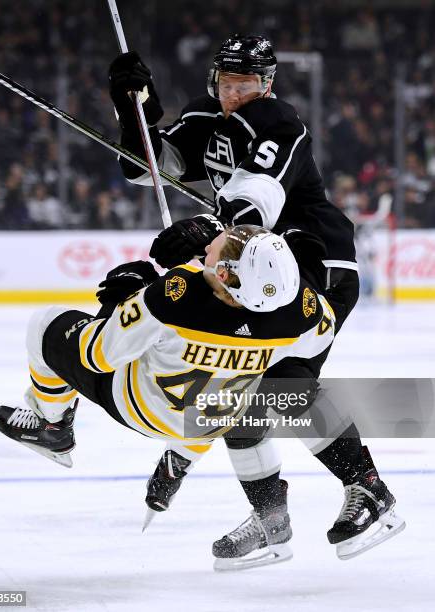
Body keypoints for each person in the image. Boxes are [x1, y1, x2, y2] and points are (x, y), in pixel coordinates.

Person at [107, 34, 404, 568]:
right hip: (258, 275)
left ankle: (369, 492)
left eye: (247, 83)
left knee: (282, 386)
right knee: (237, 387)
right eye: (228, 82)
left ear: (266, 84)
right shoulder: (206, 117)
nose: (236, 92)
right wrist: (135, 109)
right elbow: (147, 165)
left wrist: (205, 232)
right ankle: (271, 521)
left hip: (316, 268)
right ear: (214, 81)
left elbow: (256, 200)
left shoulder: (278, 122)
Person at [0, 225, 336, 563]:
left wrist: (121, 301)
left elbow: (98, 356)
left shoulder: (172, 297)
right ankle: (183, 462)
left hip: (141, 408)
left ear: (226, 273)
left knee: (45, 323)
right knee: (223, 390)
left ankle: (53, 426)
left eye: (222, 245)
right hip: (213, 419)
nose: (217, 240)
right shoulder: (298, 312)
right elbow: (319, 334)